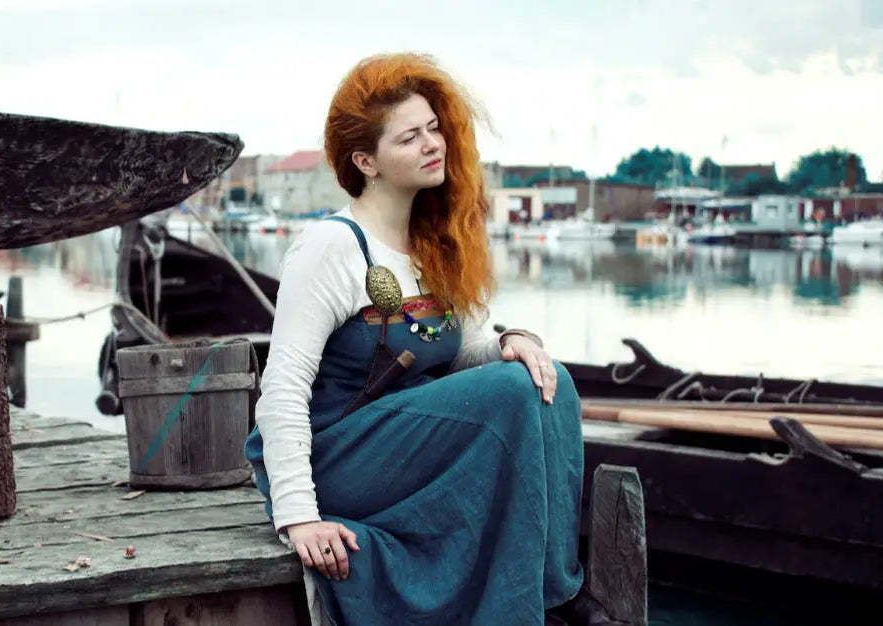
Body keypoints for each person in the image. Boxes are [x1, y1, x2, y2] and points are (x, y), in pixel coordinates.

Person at [244, 52, 624, 626]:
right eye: (409, 138)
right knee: (507, 395)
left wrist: (510, 343)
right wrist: (299, 515)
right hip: (332, 457)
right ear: (366, 160)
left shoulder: (434, 245)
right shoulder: (332, 247)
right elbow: (282, 390)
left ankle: (555, 593)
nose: (432, 144)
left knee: (548, 381)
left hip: (398, 447)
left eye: (433, 128)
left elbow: (466, 350)